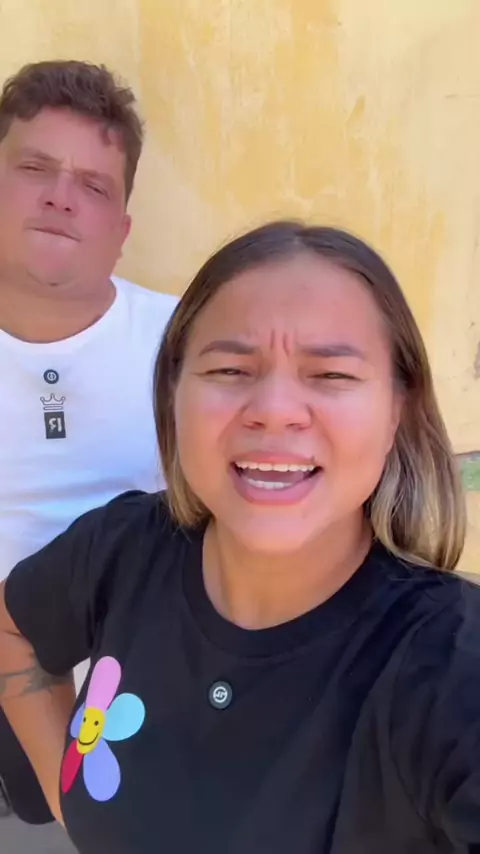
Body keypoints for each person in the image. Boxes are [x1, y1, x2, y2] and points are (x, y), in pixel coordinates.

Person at [0, 219, 479, 854]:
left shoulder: (450, 665)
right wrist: (71, 801)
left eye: (331, 375)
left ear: (398, 410)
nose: (274, 411)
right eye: (230, 369)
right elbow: (12, 628)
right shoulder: (125, 545)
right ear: (172, 394)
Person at [0, 60, 177, 826]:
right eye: (34, 167)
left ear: (122, 231)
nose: (60, 196)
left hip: (137, 669)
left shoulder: (187, 344)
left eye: (94, 186)